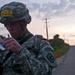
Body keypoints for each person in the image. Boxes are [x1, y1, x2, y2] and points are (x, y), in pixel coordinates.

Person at [0, 2, 57, 75]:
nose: (9, 28)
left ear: (23, 23)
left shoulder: (41, 45)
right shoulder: (6, 46)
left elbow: (45, 72)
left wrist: (20, 52)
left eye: (13, 24)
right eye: (6, 24)